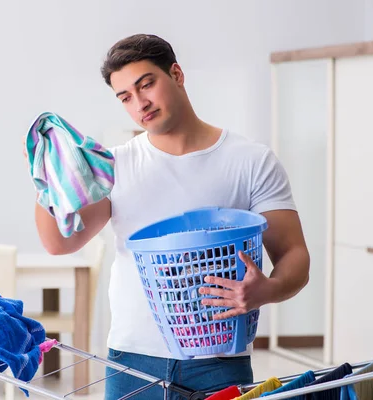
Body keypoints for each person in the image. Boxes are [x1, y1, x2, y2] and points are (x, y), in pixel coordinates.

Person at [28, 34, 310, 399]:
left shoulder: (251, 161)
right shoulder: (115, 166)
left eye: (147, 85)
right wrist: (47, 175)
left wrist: (266, 290)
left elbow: (294, 255)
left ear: (176, 74)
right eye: (125, 97)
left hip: (219, 361)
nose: (140, 103)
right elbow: (59, 243)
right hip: (131, 362)